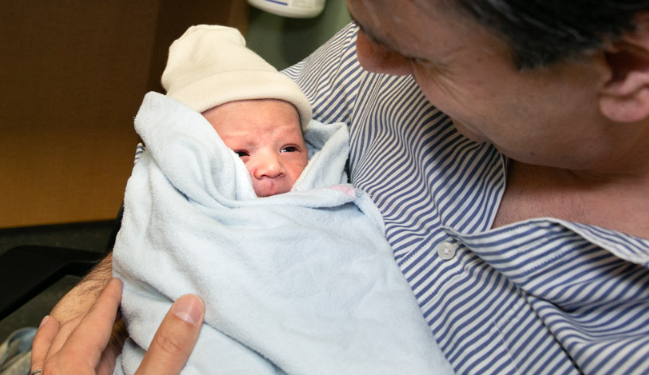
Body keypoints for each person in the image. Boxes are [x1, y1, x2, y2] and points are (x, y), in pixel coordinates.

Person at [32, 1, 649, 374]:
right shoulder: (408, 38)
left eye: (412, 53)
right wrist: (117, 285)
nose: (364, 57)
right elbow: (206, 149)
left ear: (628, 65)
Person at [111, 25, 452, 374]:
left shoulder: (329, 201)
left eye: (289, 148)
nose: (272, 166)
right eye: (241, 153)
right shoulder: (185, 211)